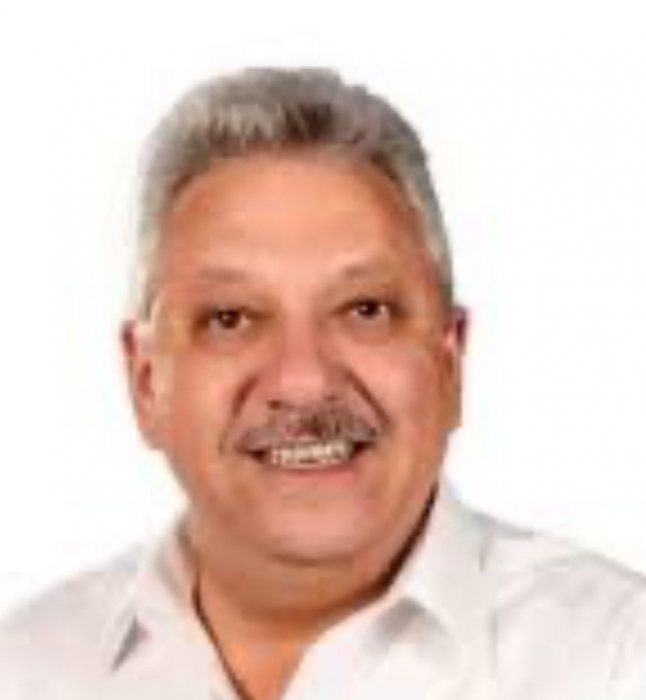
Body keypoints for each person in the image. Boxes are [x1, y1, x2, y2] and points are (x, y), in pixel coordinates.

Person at [1, 67, 645, 700]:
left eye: (365, 310)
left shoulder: (616, 657)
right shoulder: (25, 670)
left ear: (450, 362)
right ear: (145, 382)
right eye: (231, 318)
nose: (304, 382)